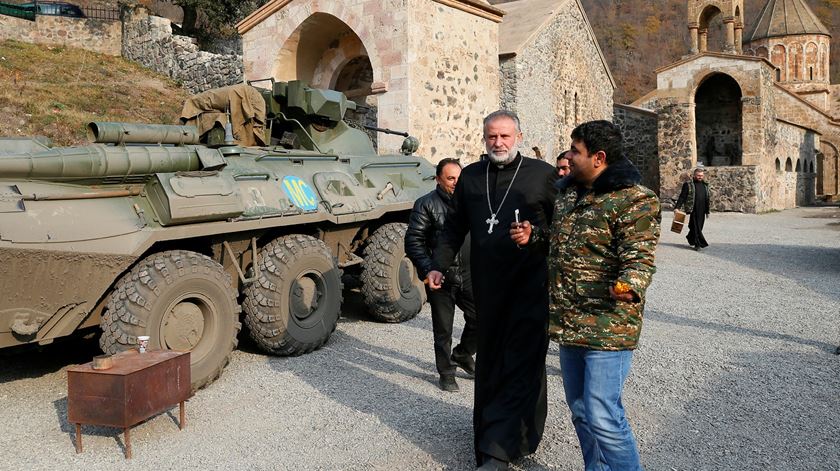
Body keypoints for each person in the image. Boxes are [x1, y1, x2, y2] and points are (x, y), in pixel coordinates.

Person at [427, 110, 558, 470]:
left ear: (518, 135)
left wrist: (536, 236)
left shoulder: (542, 176)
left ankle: (501, 447)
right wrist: (438, 264)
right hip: (487, 286)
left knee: (522, 360)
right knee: (491, 361)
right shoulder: (471, 176)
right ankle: (491, 434)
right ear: (484, 138)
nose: (498, 143)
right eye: (491, 137)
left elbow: (564, 231)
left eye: (504, 136)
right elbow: (453, 228)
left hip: (530, 286)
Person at [545, 120, 660, 471]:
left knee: (602, 413)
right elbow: (560, 241)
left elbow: (640, 255)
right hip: (569, 319)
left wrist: (630, 284)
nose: (568, 156)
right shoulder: (568, 195)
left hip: (609, 323)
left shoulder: (635, 199)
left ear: (598, 157)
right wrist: (533, 234)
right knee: (580, 410)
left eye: (575, 151)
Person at [405, 158, 478, 392]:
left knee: (481, 319)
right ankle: (446, 372)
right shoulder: (425, 204)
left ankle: (463, 354)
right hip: (441, 276)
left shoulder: (471, 202)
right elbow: (414, 242)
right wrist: (429, 270)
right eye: (450, 178)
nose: (456, 183)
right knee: (443, 329)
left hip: (469, 274)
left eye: (459, 178)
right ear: (438, 179)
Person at [674, 167, 710, 250]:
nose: (700, 177)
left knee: (697, 226)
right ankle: (698, 244)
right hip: (693, 209)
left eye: (701, 175)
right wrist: (677, 208)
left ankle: (690, 237)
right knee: (696, 226)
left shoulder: (705, 185)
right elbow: (682, 197)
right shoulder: (688, 184)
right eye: (698, 175)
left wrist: (707, 211)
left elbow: (707, 199)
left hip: (702, 210)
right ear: (694, 175)